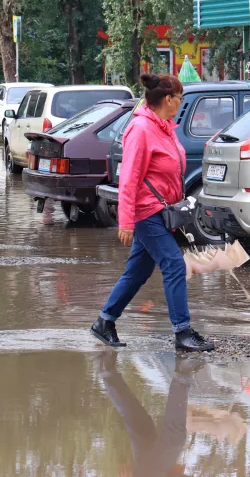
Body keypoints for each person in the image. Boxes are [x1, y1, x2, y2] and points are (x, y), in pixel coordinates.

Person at [91, 72, 214, 352]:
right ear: (168, 99)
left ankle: (104, 321)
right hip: (146, 212)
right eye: (180, 98)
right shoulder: (142, 129)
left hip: (162, 210)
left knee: (137, 272)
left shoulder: (164, 127)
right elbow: (130, 178)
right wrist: (126, 221)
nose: (181, 103)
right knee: (174, 264)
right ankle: (182, 333)